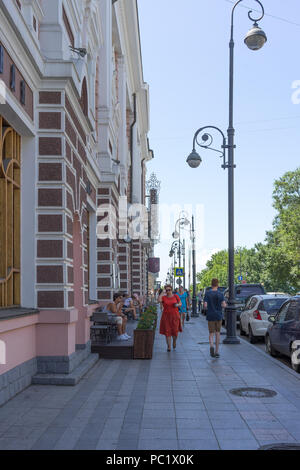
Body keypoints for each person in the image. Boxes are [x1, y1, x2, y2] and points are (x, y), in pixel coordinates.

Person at [203, 279, 226, 358]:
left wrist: (208, 307)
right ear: (217, 284)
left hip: (210, 315)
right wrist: (223, 305)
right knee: (218, 333)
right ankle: (216, 351)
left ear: (211, 284)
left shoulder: (207, 293)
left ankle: (211, 346)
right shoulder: (220, 294)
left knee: (211, 333)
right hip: (218, 315)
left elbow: (205, 305)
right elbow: (223, 305)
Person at [159, 285, 182, 352]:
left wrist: (177, 305)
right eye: (167, 290)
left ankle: (174, 341)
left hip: (175, 316)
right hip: (166, 316)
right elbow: (159, 300)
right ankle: (168, 346)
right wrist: (162, 293)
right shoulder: (164, 297)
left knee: (175, 331)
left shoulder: (176, 296)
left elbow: (180, 303)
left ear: (171, 290)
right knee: (167, 331)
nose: (168, 291)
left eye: (169, 290)